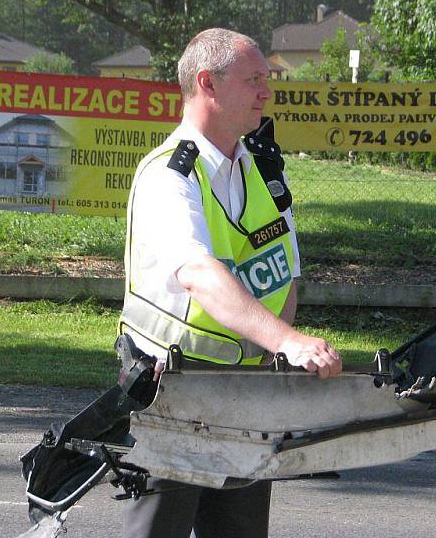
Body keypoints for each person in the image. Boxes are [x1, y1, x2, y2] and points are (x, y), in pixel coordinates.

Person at [118, 28, 343, 538]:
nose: (267, 92)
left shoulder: (260, 171)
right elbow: (198, 273)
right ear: (207, 84)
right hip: (173, 392)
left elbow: (285, 271)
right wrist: (287, 341)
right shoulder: (167, 176)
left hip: (246, 394)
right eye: (254, 80)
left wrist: (275, 356)